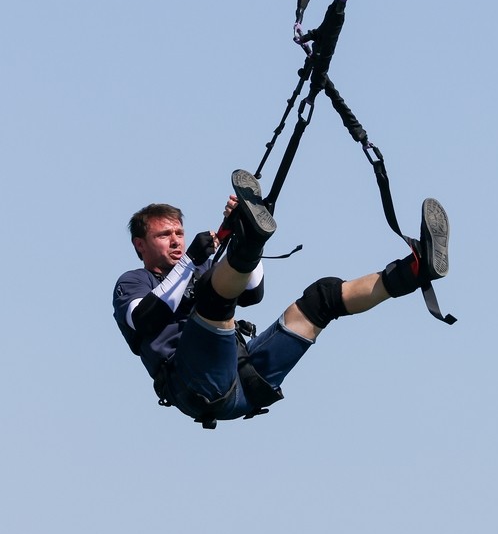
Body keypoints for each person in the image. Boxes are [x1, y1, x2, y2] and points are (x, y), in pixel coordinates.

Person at [113, 169, 450, 428]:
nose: (175, 241)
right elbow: (145, 319)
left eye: (178, 233)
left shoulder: (199, 270)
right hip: (194, 383)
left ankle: (415, 271)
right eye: (163, 235)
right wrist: (192, 262)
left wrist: (242, 234)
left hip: (244, 384)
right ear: (140, 245)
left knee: (322, 299)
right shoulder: (132, 283)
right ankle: (252, 238)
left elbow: (253, 293)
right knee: (213, 297)